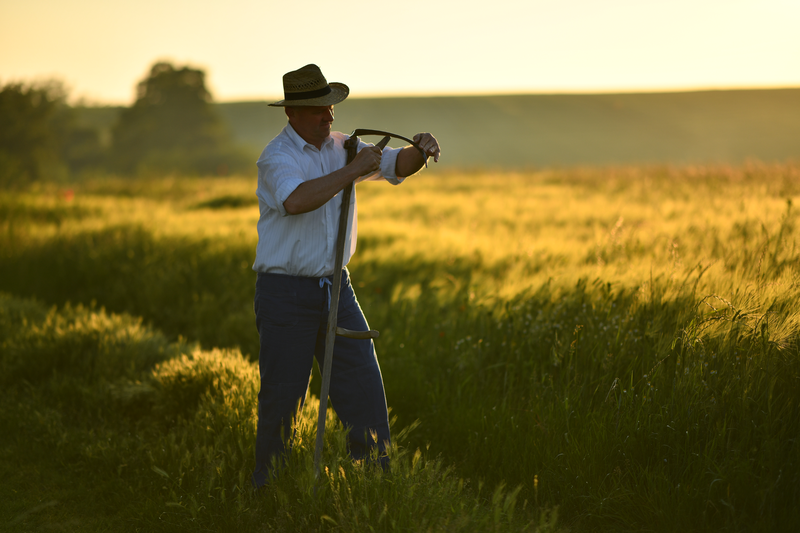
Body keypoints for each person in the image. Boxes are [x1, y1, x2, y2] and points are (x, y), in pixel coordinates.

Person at [251, 64, 440, 488]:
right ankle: (269, 492)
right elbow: (297, 200)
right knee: (283, 398)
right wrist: (352, 171)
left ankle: (374, 485)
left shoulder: (344, 147)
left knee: (363, 386)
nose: (329, 117)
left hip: (337, 288)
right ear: (292, 114)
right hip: (285, 292)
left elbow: (395, 164)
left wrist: (420, 150)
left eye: (331, 108)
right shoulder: (276, 158)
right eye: (319, 110)